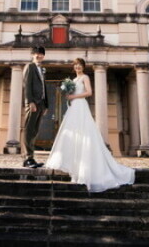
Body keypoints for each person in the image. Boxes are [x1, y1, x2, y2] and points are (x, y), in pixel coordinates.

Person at [45, 58, 135, 192]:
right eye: (75, 65)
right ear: (73, 67)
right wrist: (68, 94)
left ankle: (88, 169)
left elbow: (89, 92)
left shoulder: (85, 77)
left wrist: (74, 97)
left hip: (80, 105)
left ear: (83, 66)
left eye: (79, 65)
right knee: (73, 133)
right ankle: (76, 167)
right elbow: (71, 93)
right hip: (73, 107)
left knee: (84, 132)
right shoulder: (73, 80)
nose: (77, 67)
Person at [22, 45, 48, 168]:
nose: (38, 55)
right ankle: (28, 158)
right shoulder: (30, 67)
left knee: (35, 131)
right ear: (32, 55)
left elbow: (44, 87)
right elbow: (26, 85)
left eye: (41, 54)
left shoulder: (42, 69)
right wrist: (30, 102)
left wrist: (46, 105)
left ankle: (31, 157)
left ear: (43, 56)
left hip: (41, 104)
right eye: (36, 53)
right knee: (29, 129)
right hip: (33, 103)